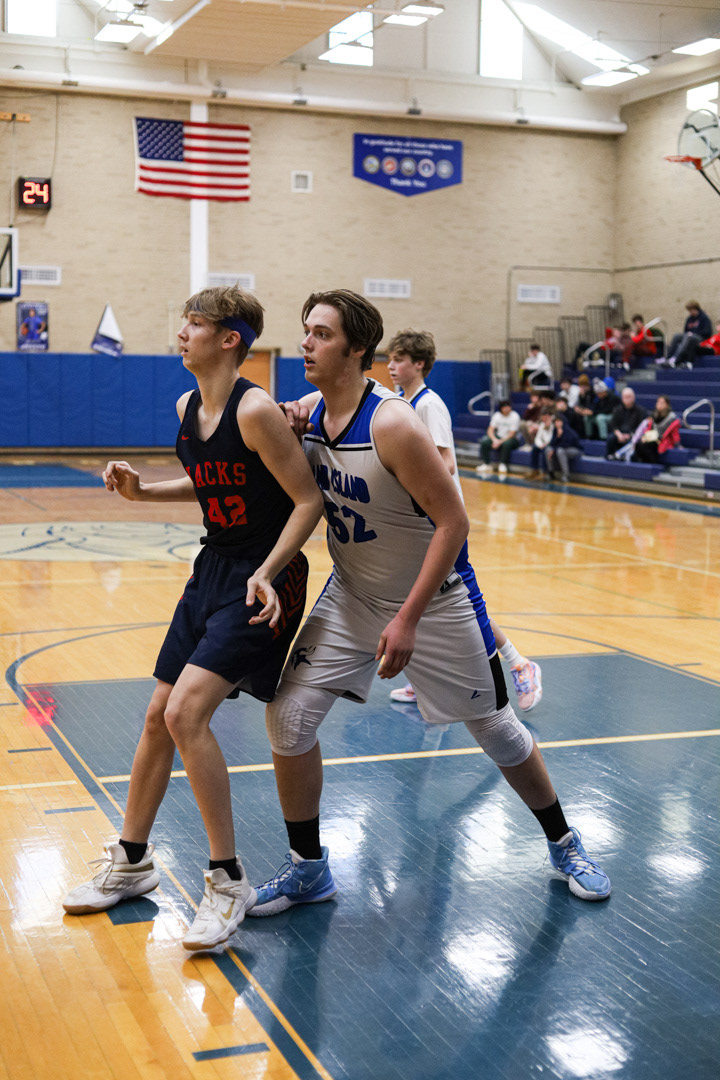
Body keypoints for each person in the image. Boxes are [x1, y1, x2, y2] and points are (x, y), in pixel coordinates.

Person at [246, 289, 610, 918]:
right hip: (353, 593)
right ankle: (309, 868)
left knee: (498, 731)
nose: (306, 342)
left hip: (435, 603)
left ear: (358, 351)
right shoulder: (310, 416)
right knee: (289, 718)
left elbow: (454, 522)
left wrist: (408, 619)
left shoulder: (390, 423)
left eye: (322, 334)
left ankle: (564, 841)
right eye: (306, 330)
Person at [62, 285, 324, 951]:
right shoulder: (186, 406)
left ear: (230, 338)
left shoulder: (256, 410)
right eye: (184, 321)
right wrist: (143, 490)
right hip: (213, 570)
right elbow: (212, 482)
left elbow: (307, 501)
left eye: (196, 323)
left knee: (185, 714)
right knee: (158, 714)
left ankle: (227, 881)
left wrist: (267, 570)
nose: (182, 332)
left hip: (265, 578)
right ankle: (132, 862)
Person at [386, 328, 542, 712]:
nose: (390, 366)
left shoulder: (428, 405)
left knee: (465, 601)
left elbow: (446, 462)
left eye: (399, 359)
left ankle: (519, 663)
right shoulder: (402, 403)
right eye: (389, 358)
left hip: (443, 521)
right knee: (421, 601)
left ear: (419, 364)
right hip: (420, 521)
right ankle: (425, 679)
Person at [476, 399, 521, 476]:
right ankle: (487, 464)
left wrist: (499, 442)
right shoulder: (497, 415)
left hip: (512, 439)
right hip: (498, 437)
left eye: (508, 406)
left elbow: (512, 434)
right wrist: (494, 440)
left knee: (506, 444)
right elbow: (490, 430)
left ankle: (503, 464)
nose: (506, 409)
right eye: (504, 407)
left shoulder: (515, 416)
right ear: (501, 408)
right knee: (484, 441)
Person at [632, 395, 681, 466]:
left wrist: (678, 445)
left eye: (662, 403)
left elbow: (674, 433)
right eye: (658, 402)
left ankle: (654, 464)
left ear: (667, 405)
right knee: (639, 444)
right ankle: (648, 464)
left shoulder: (672, 417)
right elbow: (649, 429)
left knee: (644, 446)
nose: (659, 404)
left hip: (663, 440)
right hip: (651, 438)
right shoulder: (653, 415)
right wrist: (645, 437)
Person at [663, 301, 713, 368]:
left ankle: (676, 359)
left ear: (696, 309)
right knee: (677, 336)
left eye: (692, 310)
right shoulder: (689, 319)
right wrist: (689, 334)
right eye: (689, 311)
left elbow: (707, 333)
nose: (690, 312)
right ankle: (668, 358)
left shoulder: (704, 318)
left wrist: (693, 334)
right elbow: (685, 331)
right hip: (689, 337)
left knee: (689, 336)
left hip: (701, 338)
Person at [605, 387, 647, 459]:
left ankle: (626, 458)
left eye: (629, 397)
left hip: (633, 435)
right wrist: (619, 435)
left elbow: (642, 427)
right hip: (619, 434)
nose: (627, 399)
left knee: (634, 442)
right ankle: (610, 456)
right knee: (610, 438)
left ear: (634, 398)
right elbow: (613, 425)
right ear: (622, 399)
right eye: (625, 397)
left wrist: (630, 435)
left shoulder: (641, 411)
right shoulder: (617, 410)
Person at [546, 412, 583, 482]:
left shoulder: (568, 430)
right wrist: (558, 437)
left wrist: (554, 449)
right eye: (556, 422)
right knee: (548, 449)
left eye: (559, 421)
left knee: (560, 451)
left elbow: (566, 444)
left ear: (563, 422)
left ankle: (566, 475)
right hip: (562, 449)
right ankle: (551, 472)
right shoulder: (555, 430)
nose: (557, 423)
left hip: (575, 449)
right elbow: (551, 443)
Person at [528, 406, 554, 480]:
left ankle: (544, 472)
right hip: (543, 444)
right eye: (543, 418)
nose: (544, 420)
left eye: (546, 418)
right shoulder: (542, 425)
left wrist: (545, 444)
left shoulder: (553, 425)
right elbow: (538, 438)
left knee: (545, 450)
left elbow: (552, 438)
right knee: (535, 448)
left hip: (551, 445)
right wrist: (540, 445)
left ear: (550, 417)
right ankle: (535, 469)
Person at [568, 374, 595, 438]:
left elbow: (591, 405)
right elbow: (580, 404)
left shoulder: (592, 392)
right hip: (583, 410)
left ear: (587, 385)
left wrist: (583, 410)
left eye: (584, 385)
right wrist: (582, 396)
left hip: (591, 411)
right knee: (573, 414)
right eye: (580, 385)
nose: (582, 387)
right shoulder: (581, 393)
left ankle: (587, 436)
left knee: (584, 418)